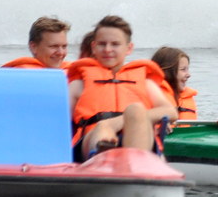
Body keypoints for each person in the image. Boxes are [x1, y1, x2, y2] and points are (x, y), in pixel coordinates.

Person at [67, 15, 177, 161]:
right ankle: (104, 152)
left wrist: (119, 121)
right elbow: (59, 125)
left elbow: (171, 112)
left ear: (128, 48)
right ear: (93, 47)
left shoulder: (145, 82)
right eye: (102, 44)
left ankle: (135, 163)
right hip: (91, 140)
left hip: (137, 137)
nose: (107, 49)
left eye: (115, 44)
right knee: (101, 129)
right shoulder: (78, 85)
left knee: (136, 110)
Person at [1, 16, 70, 69]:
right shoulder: (21, 74)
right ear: (34, 47)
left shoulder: (71, 71)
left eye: (64, 46)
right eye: (53, 46)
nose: (60, 53)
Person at [152, 46, 198, 121]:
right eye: (183, 69)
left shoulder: (186, 97)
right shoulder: (150, 95)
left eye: (187, 69)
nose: (188, 75)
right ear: (167, 71)